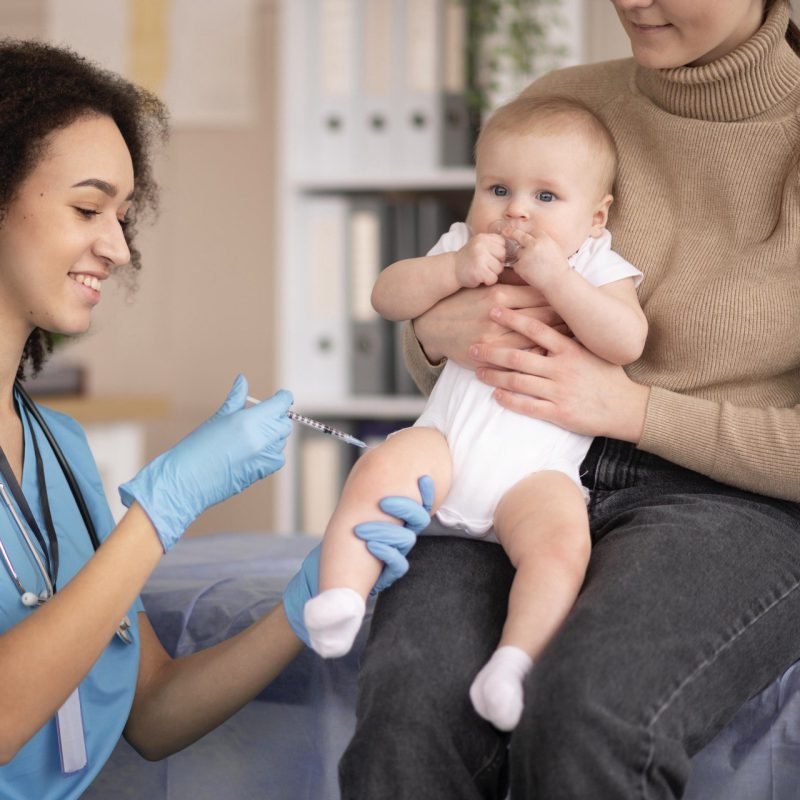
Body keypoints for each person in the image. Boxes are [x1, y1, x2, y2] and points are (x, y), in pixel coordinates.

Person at [338, 0, 800, 798]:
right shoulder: (565, 106)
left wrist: (633, 411)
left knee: (588, 710)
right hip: (516, 461)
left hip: (731, 501)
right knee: (410, 711)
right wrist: (438, 333)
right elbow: (451, 318)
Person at [0, 39, 431, 800]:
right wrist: (160, 513)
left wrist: (307, 598)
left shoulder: (57, 449)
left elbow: (153, 711)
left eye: (123, 216)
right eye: (88, 208)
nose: (118, 248)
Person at [302, 96, 646, 735]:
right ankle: (341, 595)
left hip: (534, 479)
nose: (516, 211)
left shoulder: (594, 263)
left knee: (562, 549)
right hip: (445, 451)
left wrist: (558, 281)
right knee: (382, 465)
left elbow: (626, 341)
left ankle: (513, 664)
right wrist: (452, 269)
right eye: (497, 189)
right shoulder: (463, 245)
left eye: (546, 196)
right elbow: (386, 295)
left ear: (595, 217)